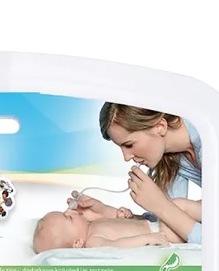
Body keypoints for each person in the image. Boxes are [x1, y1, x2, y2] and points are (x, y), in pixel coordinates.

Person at [97, 104, 203, 245]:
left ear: (160, 126)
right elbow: (171, 222)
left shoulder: (213, 143)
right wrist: (111, 214)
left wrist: (161, 205)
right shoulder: (171, 158)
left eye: (129, 145)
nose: (126, 157)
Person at [33, 198, 201, 253]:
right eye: (68, 218)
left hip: (153, 223)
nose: (71, 211)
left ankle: (210, 209)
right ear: (77, 243)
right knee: (178, 206)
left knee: (179, 206)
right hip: (160, 232)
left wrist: (124, 216)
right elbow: (119, 244)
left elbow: (120, 227)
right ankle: (212, 211)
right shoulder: (93, 241)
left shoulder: (93, 225)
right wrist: (147, 239)